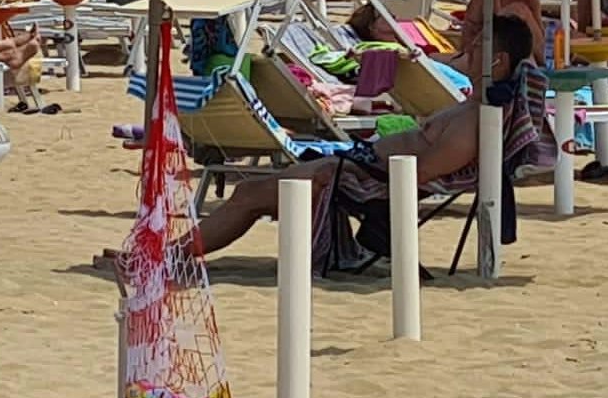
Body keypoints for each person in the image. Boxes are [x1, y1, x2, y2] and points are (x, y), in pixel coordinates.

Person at [189, 15, 548, 257]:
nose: (468, 46)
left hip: (363, 178)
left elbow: (416, 175)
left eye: (479, 44)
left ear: (498, 61)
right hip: (360, 164)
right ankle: (175, 254)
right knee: (251, 194)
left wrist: (351, 167)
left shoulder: (475, 123)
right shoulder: (473, 106)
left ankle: (174, 257)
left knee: (250, 194)